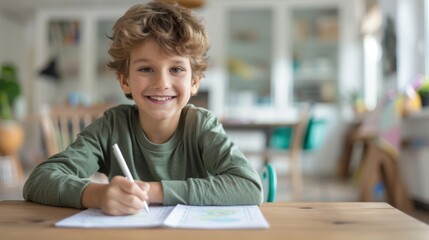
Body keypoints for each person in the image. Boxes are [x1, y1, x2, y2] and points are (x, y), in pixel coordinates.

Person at [23, 1, 263, 216]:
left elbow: (249, 187)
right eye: (146, 69)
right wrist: (98, 195)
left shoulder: (201, 126)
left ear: (194, 82)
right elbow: (39, 180)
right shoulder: (111, 126)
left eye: (176, 69)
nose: (161, 83)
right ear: (125, 80)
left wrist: (151, 191)